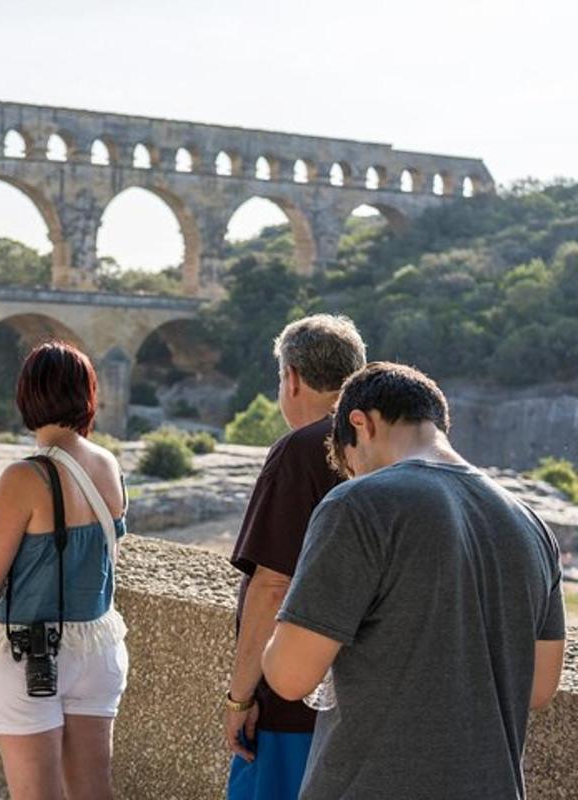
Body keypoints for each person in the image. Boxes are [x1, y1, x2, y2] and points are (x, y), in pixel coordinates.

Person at [262, 362, 568, 799]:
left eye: (353, 465)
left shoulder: (358, 504)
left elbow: (290, 676)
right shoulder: (532, 526)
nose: (357, 477)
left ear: (360, 424)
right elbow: (539, 687)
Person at [0, 341, 128, 800]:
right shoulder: (108, 465)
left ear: (27, 396)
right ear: (88, 393)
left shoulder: (25, 477)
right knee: (94, 790)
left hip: (27, 650)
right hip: (97, 646)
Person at [224, 315, 366, 800]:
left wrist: (240, 696)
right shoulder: (380, 449)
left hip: (291, 708)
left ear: (292, 379)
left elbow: (272, 585)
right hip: (362, 702)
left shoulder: (300, 451)